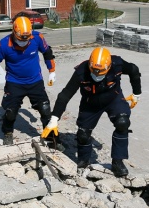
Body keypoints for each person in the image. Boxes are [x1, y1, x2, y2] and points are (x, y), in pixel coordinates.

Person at [41, 47, 141, 177]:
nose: (97, 75)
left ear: (109, 66)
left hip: (113, 98)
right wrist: (54, 119)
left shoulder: (117, 64)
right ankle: (83, 162)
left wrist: (137, 93)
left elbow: (134, 70)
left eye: (101, 72)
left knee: (122, 123)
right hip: (90, 103)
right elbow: (65, 95)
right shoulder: (81, 72)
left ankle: (118, 161)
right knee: (83, 134)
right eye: (94, 71)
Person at [0, 16, 56, 145]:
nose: (24, 42)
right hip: (15, 83)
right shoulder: (3, 45)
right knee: (10, 112)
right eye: (20, 39)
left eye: (26, 39)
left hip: (35, 81)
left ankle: (51, 137)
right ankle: (7, 132)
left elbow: (47, 52)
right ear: (14, 32)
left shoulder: (37, 38)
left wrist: (52, 71)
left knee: (45, 109)